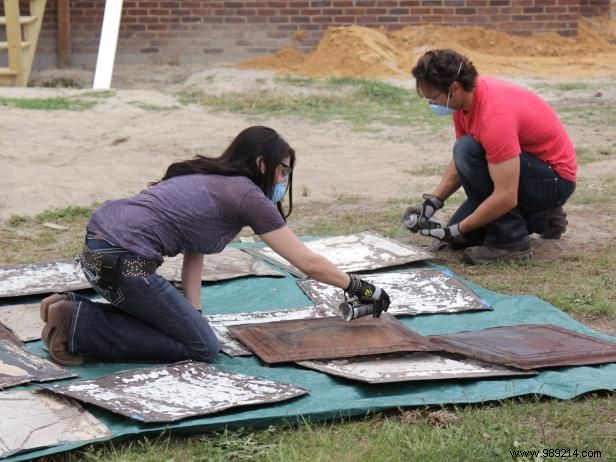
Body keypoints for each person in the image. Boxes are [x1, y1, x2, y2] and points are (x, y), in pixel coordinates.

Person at [39, 126, 391, 366]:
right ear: (261, 163)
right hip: (125, 264)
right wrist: (360, 286)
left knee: (180, 324)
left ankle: (68, 309)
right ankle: (78, 325)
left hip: (101, 254)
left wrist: (192, 312)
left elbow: (196, 250)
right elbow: (307, 261)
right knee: (201, 346)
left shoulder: (210, 180)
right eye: (282, 171)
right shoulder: (246, 195)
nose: (283, 180)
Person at [403, 49, 577, 264]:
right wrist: (433, 203)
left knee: (465, 151)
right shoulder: (465, 101)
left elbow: (506, 195)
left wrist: (454, 229)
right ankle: (541, 217)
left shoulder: (494, 116)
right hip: (527, 168)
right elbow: (461, 165)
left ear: (454, 89)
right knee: (462, 240)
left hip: (553, 178)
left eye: (433, 98)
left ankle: (511, 243)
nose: (433, 105)